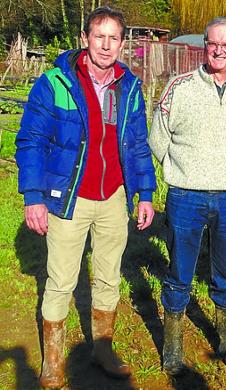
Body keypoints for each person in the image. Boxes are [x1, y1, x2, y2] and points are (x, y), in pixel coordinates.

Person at [15, 6, 156, 387]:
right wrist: (33, 196)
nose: (106, 45)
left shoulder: (128, 86)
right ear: (85, 40)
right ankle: (54, 361)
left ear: (122, 43)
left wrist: (144, 192)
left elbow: (138, 144)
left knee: (109, 277)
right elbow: (31, 141)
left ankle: (103, 348)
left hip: (114, 197)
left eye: (114, 38)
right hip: (68, 198)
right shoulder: (55, 83)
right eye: (99, 36)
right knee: (61, 279)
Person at [149, 17, 226, 374]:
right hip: (186, 195)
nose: (219, 50)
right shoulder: (179, 87)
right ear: (204, 45)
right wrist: (182, 169)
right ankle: (173, 345)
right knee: (180, 269)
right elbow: (158, 138)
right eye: (213, 43)